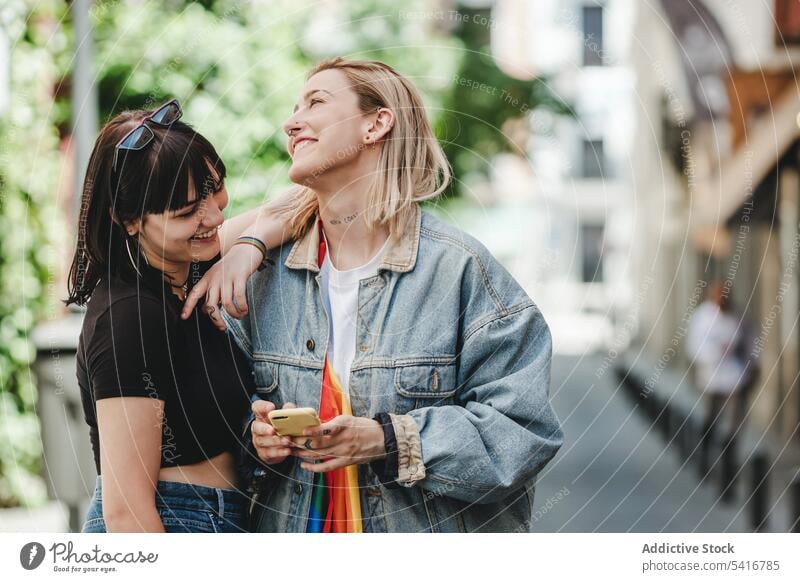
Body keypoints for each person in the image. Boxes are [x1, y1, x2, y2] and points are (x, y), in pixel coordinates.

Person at [185, 58, 564, 532]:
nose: (290, 121)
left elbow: (522, 434)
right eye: (293, 108)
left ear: (377, 122)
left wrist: (390, 439)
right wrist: (257, 436)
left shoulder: (460, 271)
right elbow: (226, 415)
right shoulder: (264, 280)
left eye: (316, 102)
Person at [66, 100, 290, 532]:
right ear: (128, 220)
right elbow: (126, 512)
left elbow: (305, 199)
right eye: (187, 211)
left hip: (219, 515)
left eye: (215, 189)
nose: (215, 216)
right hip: (175, 521)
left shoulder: (189, 265)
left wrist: (247, 249)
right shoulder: (128, 317)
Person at [686, 280, 759, 477]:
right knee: (712, 416)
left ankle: (730, 455)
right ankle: (705, 456)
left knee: (736, 419)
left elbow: (750, 343)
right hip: (712, 376)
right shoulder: (703, 317)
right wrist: (716, 352)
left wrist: (752, 365)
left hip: (736, 375)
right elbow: (695, 347)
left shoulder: (739, 316)